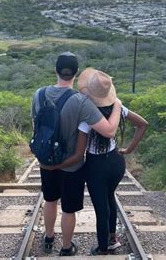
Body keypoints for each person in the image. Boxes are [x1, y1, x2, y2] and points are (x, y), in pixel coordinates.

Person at [31, 52, 122, 256]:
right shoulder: (81, 101)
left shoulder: (38, 94)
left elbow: (35, 126)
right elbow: (108, 131)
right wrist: (117, 106)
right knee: (68, 209)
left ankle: (48, 237)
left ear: (55, 70)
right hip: (71, 165)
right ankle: (66, 248)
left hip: (46, 160)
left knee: (50, 200)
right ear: (76, 73)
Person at [49, 68, 148, 255]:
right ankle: (112, 238)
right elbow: (143, 124)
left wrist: (56, 166)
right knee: (110, 197)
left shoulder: (86, 116)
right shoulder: (118, 108)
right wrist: (129, 149)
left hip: (96, 166)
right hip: (117, 162)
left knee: (101, 208)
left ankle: (103, 248)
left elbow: (79, 154)